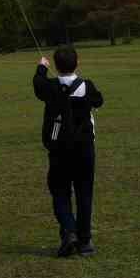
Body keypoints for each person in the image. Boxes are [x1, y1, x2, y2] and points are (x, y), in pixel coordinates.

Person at [33, 46, 104, 257]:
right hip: (84, 149)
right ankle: (85, 241)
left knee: (60, 192)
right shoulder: (87, 86)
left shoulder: (51, 87)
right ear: (77, 63)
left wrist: (41, 67)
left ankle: (69, 232)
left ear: (56, 65)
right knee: (84, 193)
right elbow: (99, 100)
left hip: (59, 151)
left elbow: (38, 85)